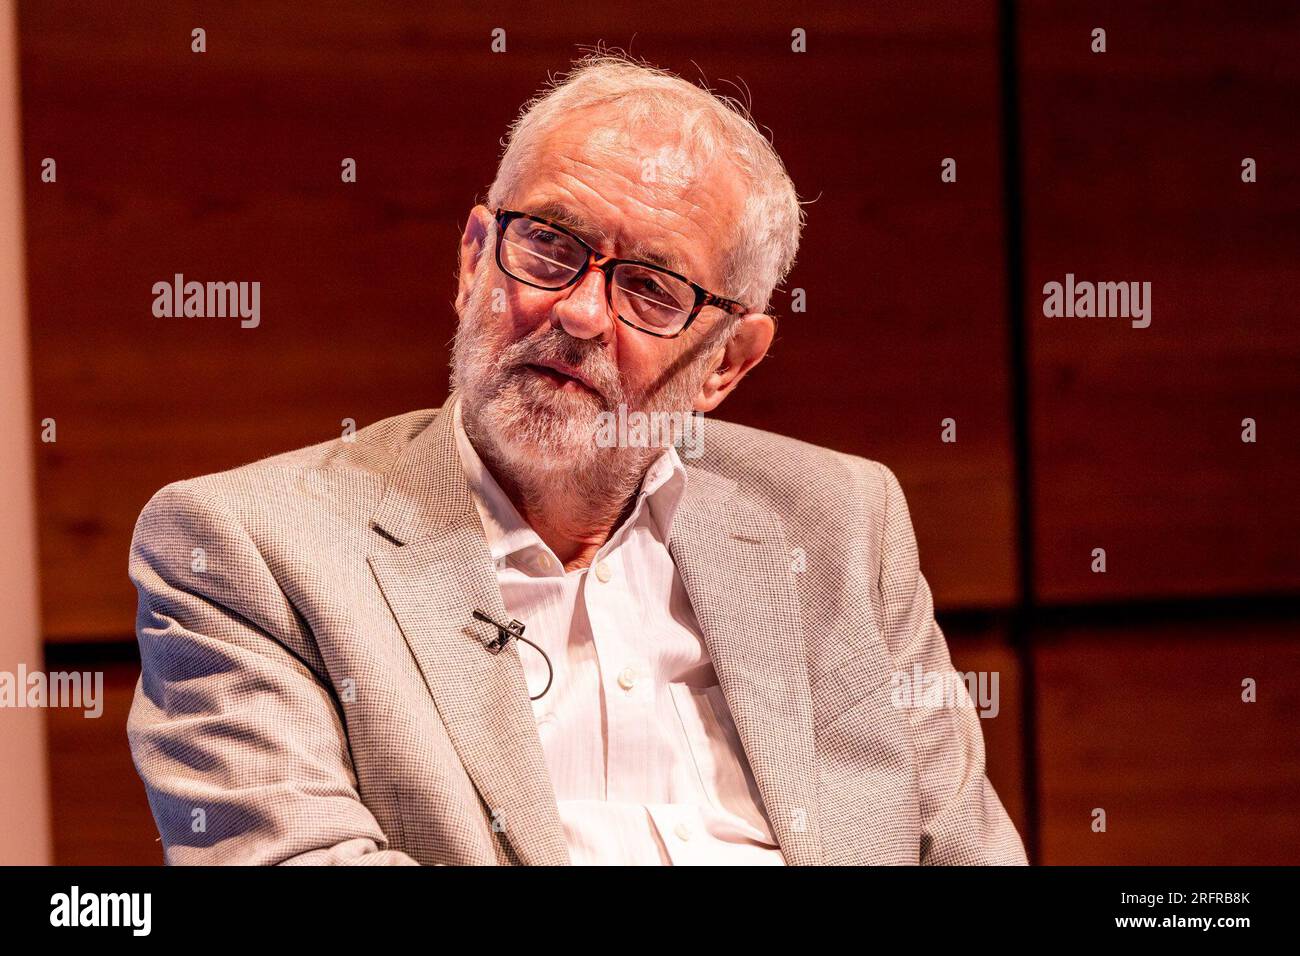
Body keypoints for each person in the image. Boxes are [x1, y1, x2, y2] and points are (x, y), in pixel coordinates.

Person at [127, 54, 1027, 865]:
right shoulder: (247, 548)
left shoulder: (840, 523)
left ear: (727, 362)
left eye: (649, 287)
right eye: (549, 247)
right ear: (473, 261)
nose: (581, 314)